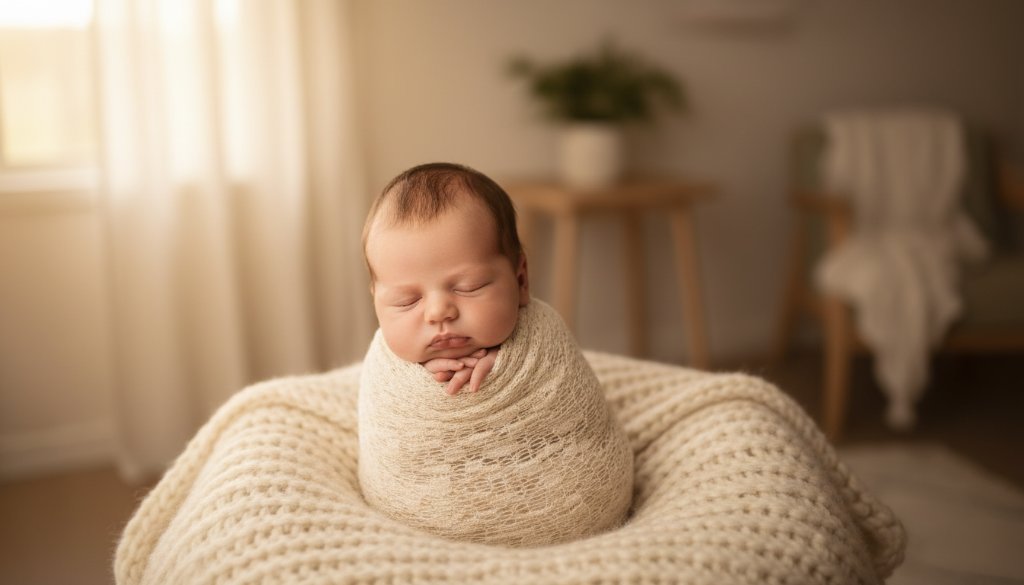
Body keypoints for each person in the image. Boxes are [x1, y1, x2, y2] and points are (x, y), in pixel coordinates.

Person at [361, 161, 530, 395]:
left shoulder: (542, 340)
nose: (438, 312)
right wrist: (418, 379)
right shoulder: (384, 368)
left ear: (520, 280)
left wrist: (513, 366)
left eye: (469, 287)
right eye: (406, 301)